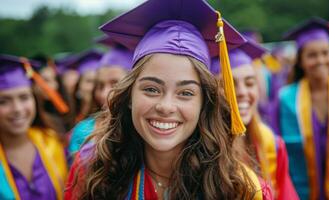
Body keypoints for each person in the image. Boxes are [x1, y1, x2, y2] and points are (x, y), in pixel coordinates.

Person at [65, 0, 273, 199]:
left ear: (204, 104)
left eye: (186, 93)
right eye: (151, 89)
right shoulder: (91, 173)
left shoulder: (242, 190)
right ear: (129, 96)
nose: (166, 106)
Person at [274, 17, 329, 199]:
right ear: (301, 61)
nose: (320, 60)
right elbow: (276, 148)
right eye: (312, 55)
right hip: (302, 192)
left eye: (325, 53)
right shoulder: (286, 99)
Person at [211, 41, 299, 200]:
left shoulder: (273, 144)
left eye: (250, 83)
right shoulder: (203, 155)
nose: (242, 92)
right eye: (229, 84)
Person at [0, 54, 68, 200]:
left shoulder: (52, 141)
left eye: (24, 97)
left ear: (34, 99)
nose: (17, 109)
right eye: (3, 101)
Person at [67, 37, 133, 156]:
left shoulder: (146, 131)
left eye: (115, 83)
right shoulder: (83, 131)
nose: (104, 94)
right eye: (100, 85)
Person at [67, 50, 102, 123]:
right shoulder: (67, 116)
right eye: (89, 81)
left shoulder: (103, 120)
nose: (93, 87)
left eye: (97, 82)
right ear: (79, 85)